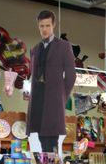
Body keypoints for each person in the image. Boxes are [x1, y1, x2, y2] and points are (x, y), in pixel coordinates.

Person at [26, 10, 76, 152]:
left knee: (52, 141)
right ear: (38, 26)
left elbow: (71, 75)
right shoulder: (34, 49)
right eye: (41, 26)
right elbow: (33, 75)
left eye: (47, 25)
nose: (44, 29)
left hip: (54, 101)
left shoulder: (64, 46)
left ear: (53, 25)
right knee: (41, 139)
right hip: (37, 100)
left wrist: (61, 97)